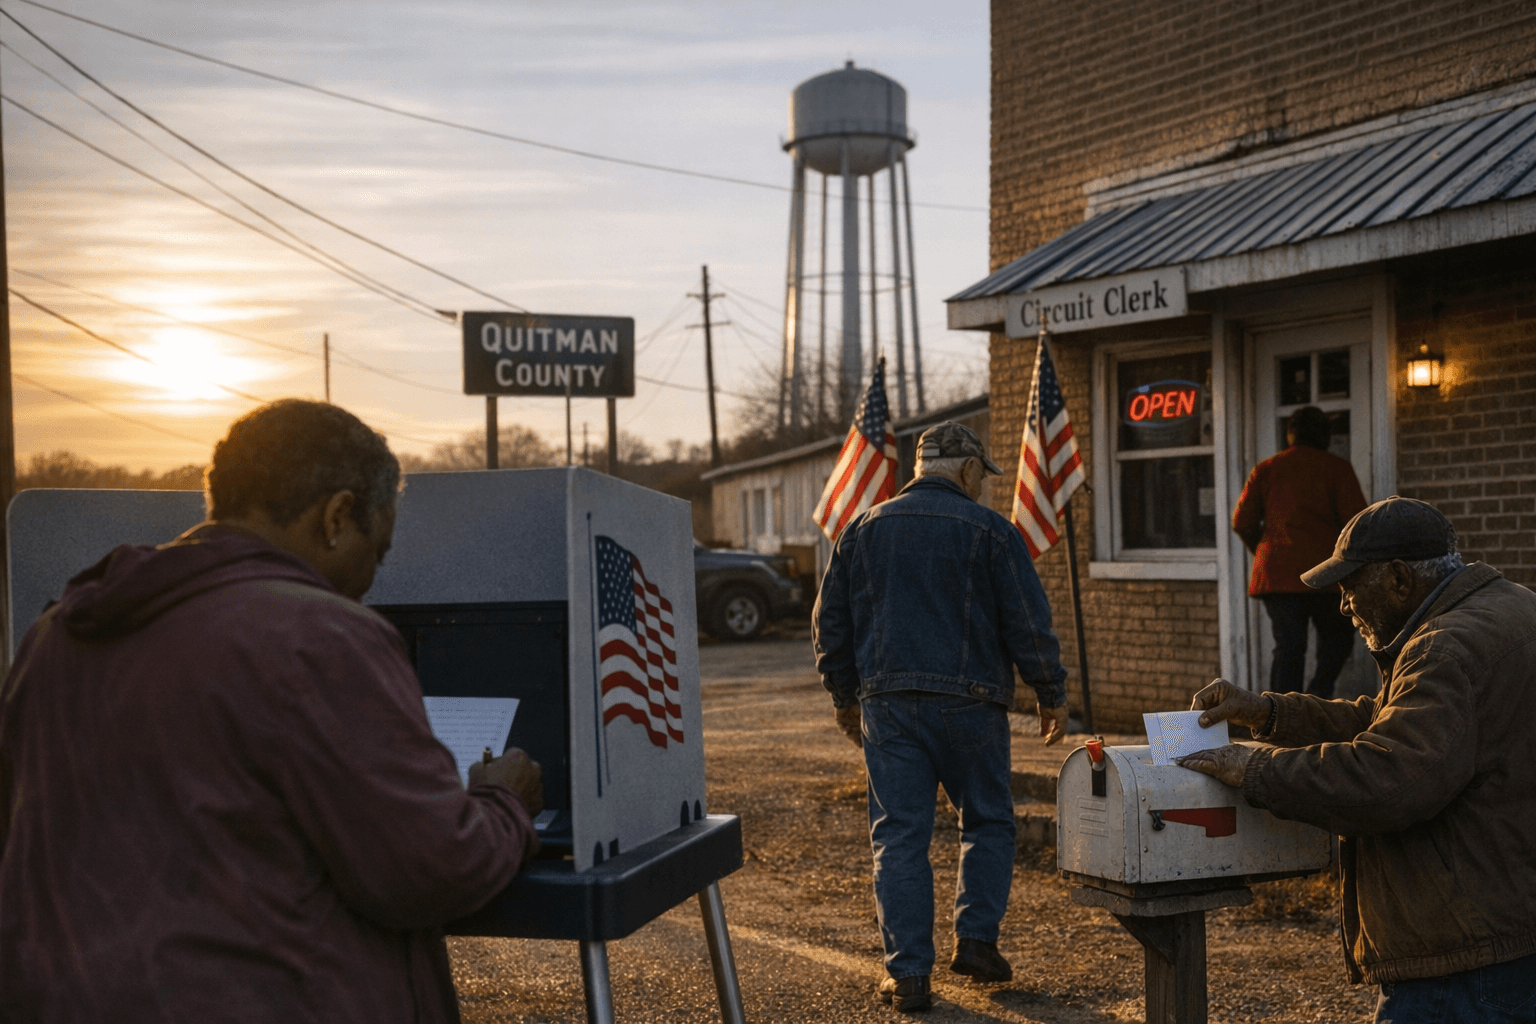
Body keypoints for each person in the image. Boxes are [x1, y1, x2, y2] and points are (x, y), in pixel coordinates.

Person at [0, 400, 544, 1023]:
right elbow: (428, 870)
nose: (371, 580)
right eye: (378, 549)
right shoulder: (319, 635)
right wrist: (503, 802)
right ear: (337, 516)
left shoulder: (53, 637)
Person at [1179, 496, 1536, 1022]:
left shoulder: (1444, 646)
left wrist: (1253, 769)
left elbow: (1387, 778)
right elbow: (1395, 720)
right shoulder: (1510, 608)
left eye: (1350, 586)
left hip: (1462, 961)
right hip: (1511, 928)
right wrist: (1269, 712)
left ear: (1397, 578)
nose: (1343, 606)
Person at [814, 421, 1069, 1014]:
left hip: (889, 704)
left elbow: (832, 624)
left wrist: (845, 696)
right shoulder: (992, 531)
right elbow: (1027, 620)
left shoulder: (862, 527)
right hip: (972, 705)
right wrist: (1049, 691)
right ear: (968, 468)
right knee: (986, 822)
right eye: (983, 475)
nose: (984, 484)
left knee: (899, 836)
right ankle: (976, 942)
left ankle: (908, 976)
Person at [1231, 405, 1367, 697]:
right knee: (1338, 639)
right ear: (1325, 436)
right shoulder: (1336, 468)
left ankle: (1281, 719)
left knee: (1289, 647)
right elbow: (1357, 524)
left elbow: (1241, 522)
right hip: (1325, 575)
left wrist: (1265, 549)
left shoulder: (1266, 469)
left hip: (1277, 573)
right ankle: (1317, 698)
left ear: (1290, 434)